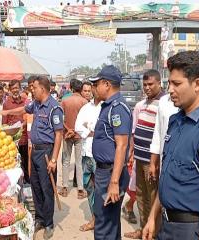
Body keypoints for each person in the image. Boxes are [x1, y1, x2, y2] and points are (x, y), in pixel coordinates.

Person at [143, 51, 199, 240]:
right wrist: (153, 217)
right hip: (166, 224)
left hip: (190, 229)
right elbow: (167, 176)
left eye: (177, 84)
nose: (170, 89)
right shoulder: (174, 121)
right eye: (169, 83)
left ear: (197, 84)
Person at [0, 76, 64, 239]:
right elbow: (22, 110)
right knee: (35, 186)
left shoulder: (54, 108)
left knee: (46, 188)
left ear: (42, 89)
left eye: (34, 87)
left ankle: (49, 223)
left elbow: (58, 135)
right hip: (34, 151)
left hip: (46, 153)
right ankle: (40, 219)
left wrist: (54, 159)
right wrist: (6, 112)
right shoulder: (35, 104)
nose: (31, 90)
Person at [89, 65, 131, 240]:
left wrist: (113, 182)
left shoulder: (117, 108)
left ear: (106, 84)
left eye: (96, 83)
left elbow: (121, 145)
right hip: (105, 171)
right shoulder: (108, 106)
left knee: (103, 225)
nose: (94, 88)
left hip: (110, 174)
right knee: (110, 224)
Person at [124, 69, 165, 239]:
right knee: (140, 195)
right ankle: (143, 229)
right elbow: (134, 131)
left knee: (154, 196)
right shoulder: (141, 105)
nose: (147, 88)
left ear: (159, 84)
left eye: (150, 84)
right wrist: (132, 152)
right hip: (139, 159)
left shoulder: (165, 104)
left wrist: (156, 162)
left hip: (153, 161)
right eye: (145, 85)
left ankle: (154, 232)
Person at [75, 79, 103, 232]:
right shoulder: (86, 107)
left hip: (99, 155)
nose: (94, 89)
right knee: (89, 186)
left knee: (101, 189)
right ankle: (95, 217)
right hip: (87, 153)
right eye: (93, 86)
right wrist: (90, 131)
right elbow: (78, 127)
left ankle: (99, 220)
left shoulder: (106, 108)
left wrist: (92, 129)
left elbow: (102, 130)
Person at [59, 78, 87, 198]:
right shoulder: (84, 102)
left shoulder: (65, 101)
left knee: (65, 161)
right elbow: (86, 121)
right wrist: (75, 130)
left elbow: (59, 118)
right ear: (80, 89)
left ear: (70, 87)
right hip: (79, 135)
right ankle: (80, 189)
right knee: (79, 162)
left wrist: (69, 129)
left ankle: (65, 187)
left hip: (67, 134)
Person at [2, 80, 29, 183]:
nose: (15, 90)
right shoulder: (7, 103)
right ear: (10, 90)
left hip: (25, 136)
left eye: (17, 88)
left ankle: (27, 182)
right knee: (14, 162)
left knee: (26, 161)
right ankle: (17, 182)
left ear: (20, 88)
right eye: (13, 88)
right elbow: (4, 123)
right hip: (12, 139)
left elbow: (29, 117)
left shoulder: (26, 102)